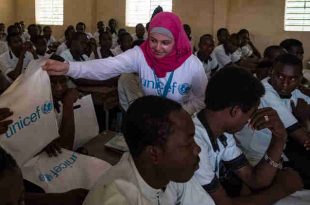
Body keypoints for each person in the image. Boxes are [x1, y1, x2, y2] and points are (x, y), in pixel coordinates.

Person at [43, 12, 207, 114]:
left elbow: (201, 99)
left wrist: (180, 112)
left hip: (180, 124)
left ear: (177, 41)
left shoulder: (191, 65)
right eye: (153, 40)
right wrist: (69, 67)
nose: (157, 48)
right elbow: (108, 66)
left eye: (165, 43)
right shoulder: (141, 55)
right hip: (152, 123)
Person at [194, 66, 304, 205]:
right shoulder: (195, 143)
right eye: (251, 113)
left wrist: (279, 138)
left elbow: (254, 179)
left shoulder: (221, 131)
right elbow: (223, 204)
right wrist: (281, 189)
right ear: (235, 111)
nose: (249, 120)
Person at [83, 96, 214, 205]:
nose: (198, 149)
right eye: (188, 143)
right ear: (154, 154)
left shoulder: (170, 172)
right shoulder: (120, 198)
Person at [235, 54, 310, 188]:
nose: (285, 84)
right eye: (280, 76)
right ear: (271, 73)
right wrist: (304, 120)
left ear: (299, 79)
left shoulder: (293, 90)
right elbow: (302, 137)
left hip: (277, 147)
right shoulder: (265, 93)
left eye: (292, 79)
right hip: (256, 156)